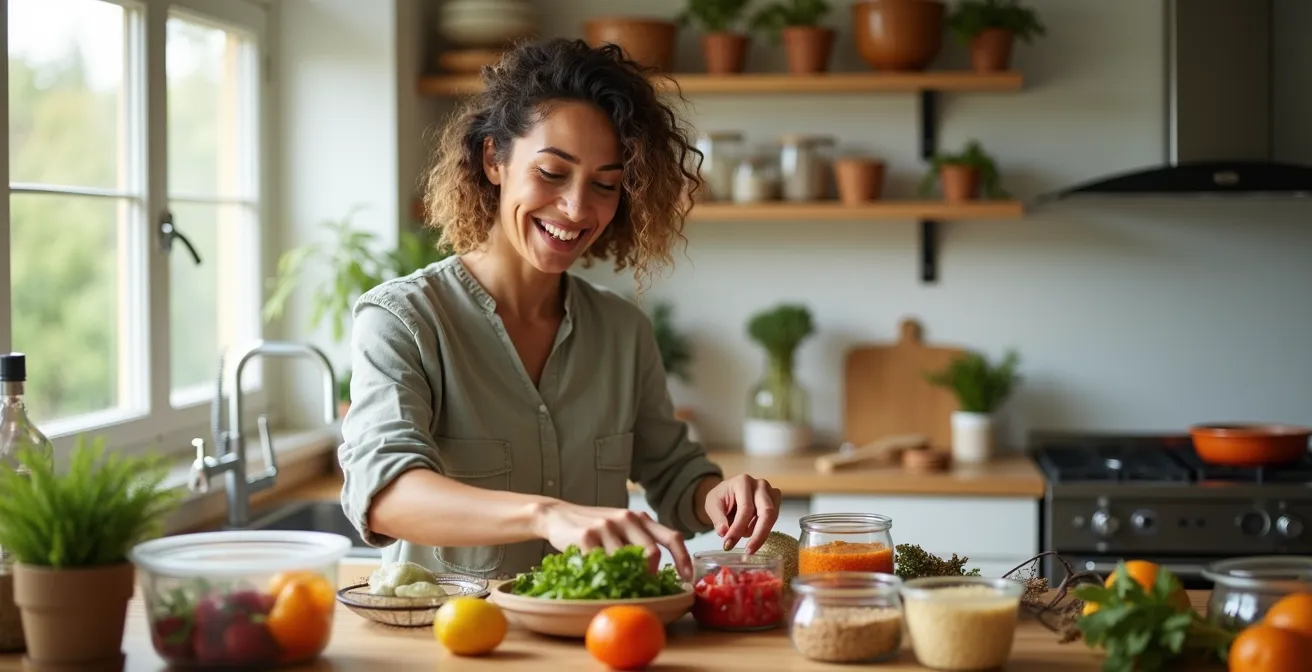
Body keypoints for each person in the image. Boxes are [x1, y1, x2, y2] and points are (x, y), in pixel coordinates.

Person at [337, 38, 782, 582]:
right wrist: (546, 514)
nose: (576, 207)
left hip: (597, 644)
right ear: (493, 160)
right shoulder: (403, 319)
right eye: (552, 173)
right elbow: (385, 495)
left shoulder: (622, 331)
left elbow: (674, 477)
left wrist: (719, 495)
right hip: (452, 644)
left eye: (605, 185)